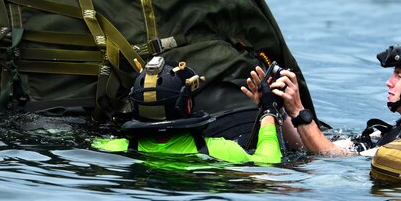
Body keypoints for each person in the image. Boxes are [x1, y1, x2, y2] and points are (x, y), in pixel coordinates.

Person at [243, 41, 401, 155]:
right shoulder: (387, 132)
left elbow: (331, 157)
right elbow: (315, 147)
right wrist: (276, 107)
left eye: (398, 76)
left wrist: (298, 110)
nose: (389, 82)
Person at [93, 56, 284, 166]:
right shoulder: (221, 150)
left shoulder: (111, 148)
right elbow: (268, 162)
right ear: (186, 106)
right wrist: (268, 110)